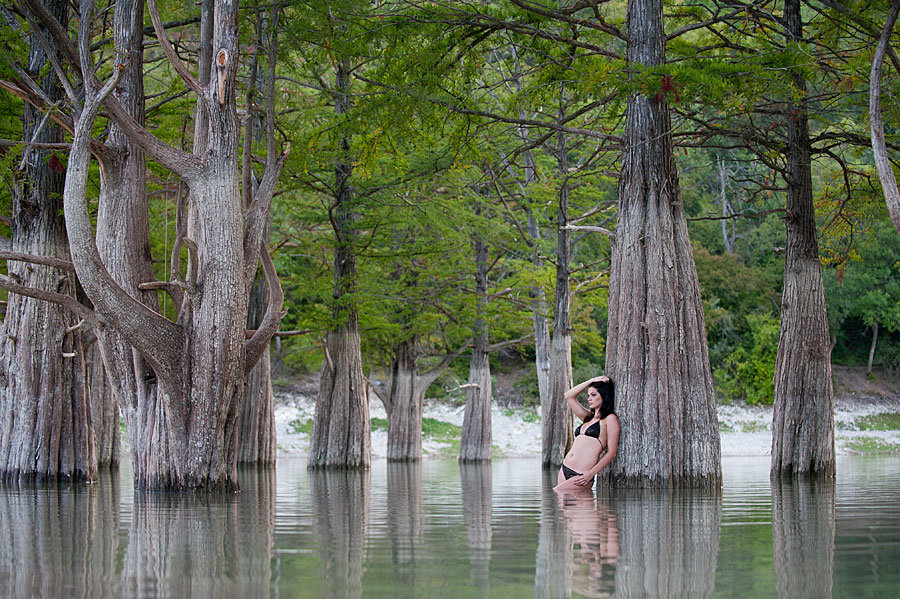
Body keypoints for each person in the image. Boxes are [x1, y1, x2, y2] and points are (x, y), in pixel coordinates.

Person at [557, 376, 619, 489]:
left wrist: (590, 473)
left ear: (604, 395)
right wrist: (591, 381)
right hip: (564, 469)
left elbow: (612, 453)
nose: (589, 398)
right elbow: (569, 396)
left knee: (557, 496)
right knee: (562, 505)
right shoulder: (587, 418)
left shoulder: (609, 419)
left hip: (581, 475)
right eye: (588, 395)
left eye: (594, 395)